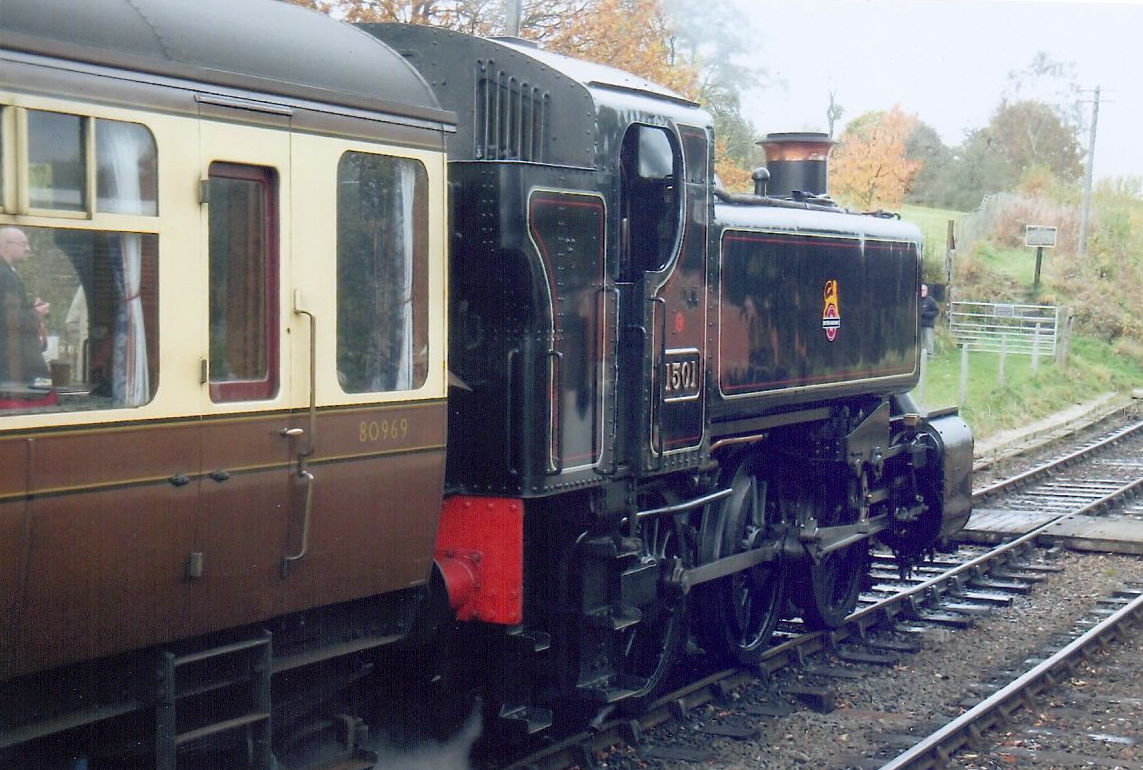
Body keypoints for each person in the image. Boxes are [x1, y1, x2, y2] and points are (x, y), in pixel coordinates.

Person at [0, 227, 51, 386]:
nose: (28, 249)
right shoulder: (5, 275)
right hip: (12, 362)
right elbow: (8, 319)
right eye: (23, 244)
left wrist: (30, 310)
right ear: (5, 245)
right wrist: (36, 313)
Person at [919, 283, 939, 357]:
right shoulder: (917, 300)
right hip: (918, 325)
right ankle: (920, 356)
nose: (922, 292)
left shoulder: (930, 300)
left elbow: (936, 311)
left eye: (923, 290)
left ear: (926, 291)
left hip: (928, 325)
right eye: (920, 290)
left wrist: (926, 314)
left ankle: (929, 356)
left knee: (928, 341)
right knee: (919, 342)